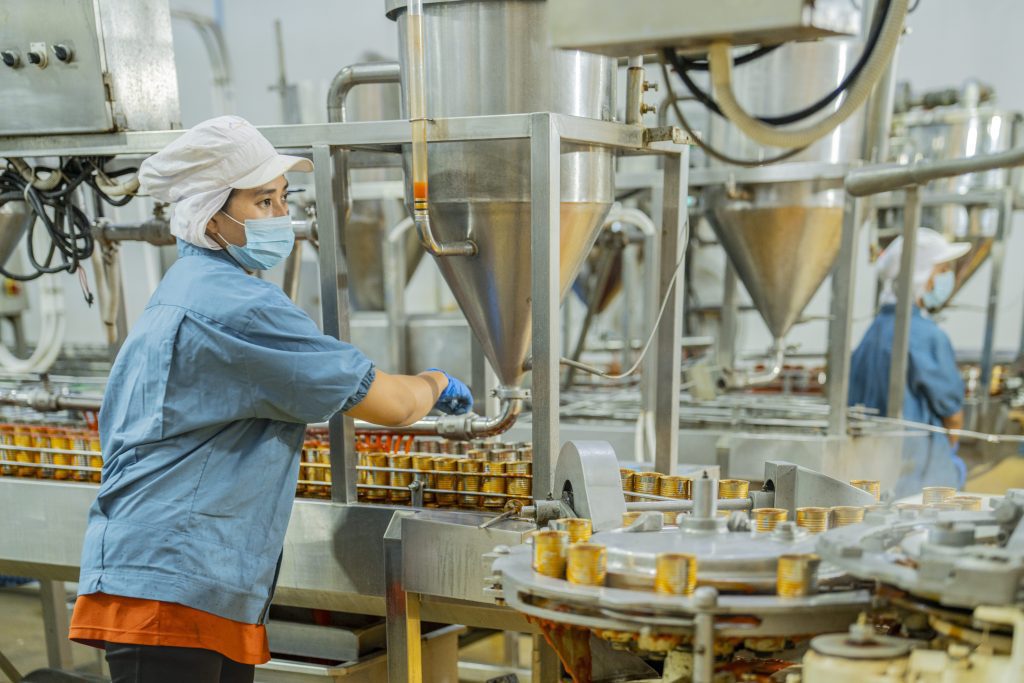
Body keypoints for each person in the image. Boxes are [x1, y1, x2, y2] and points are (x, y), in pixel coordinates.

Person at [67, 116, 474, 683]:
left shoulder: (182, 291)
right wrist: (435, 383)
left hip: (175, 575)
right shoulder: (239, 307)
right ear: (211, 217)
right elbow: (393, 406)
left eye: (284, 197)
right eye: (263, 201)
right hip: (174, 584)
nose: (282, 215)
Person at [849, 227, 970, 498]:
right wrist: (948, 452)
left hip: (871, 472)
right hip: (918, 479)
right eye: (941, 270)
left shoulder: (873, 331)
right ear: (922, 276)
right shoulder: (926, 336)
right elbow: (953, 414)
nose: (946, 278)